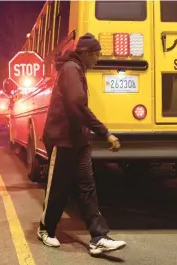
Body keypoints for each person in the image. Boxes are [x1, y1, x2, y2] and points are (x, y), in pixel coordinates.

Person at [37, 33, 126, 256]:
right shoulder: (70, 69)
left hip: (78, 139)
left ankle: (98, 237)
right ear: (85, 54)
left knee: (87, 186)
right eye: (96, 55)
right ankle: (45, 229)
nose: (98, 59)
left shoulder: (77, 69)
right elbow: (77, 104)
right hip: (62, 138)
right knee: (59, 188)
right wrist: (105, 132)